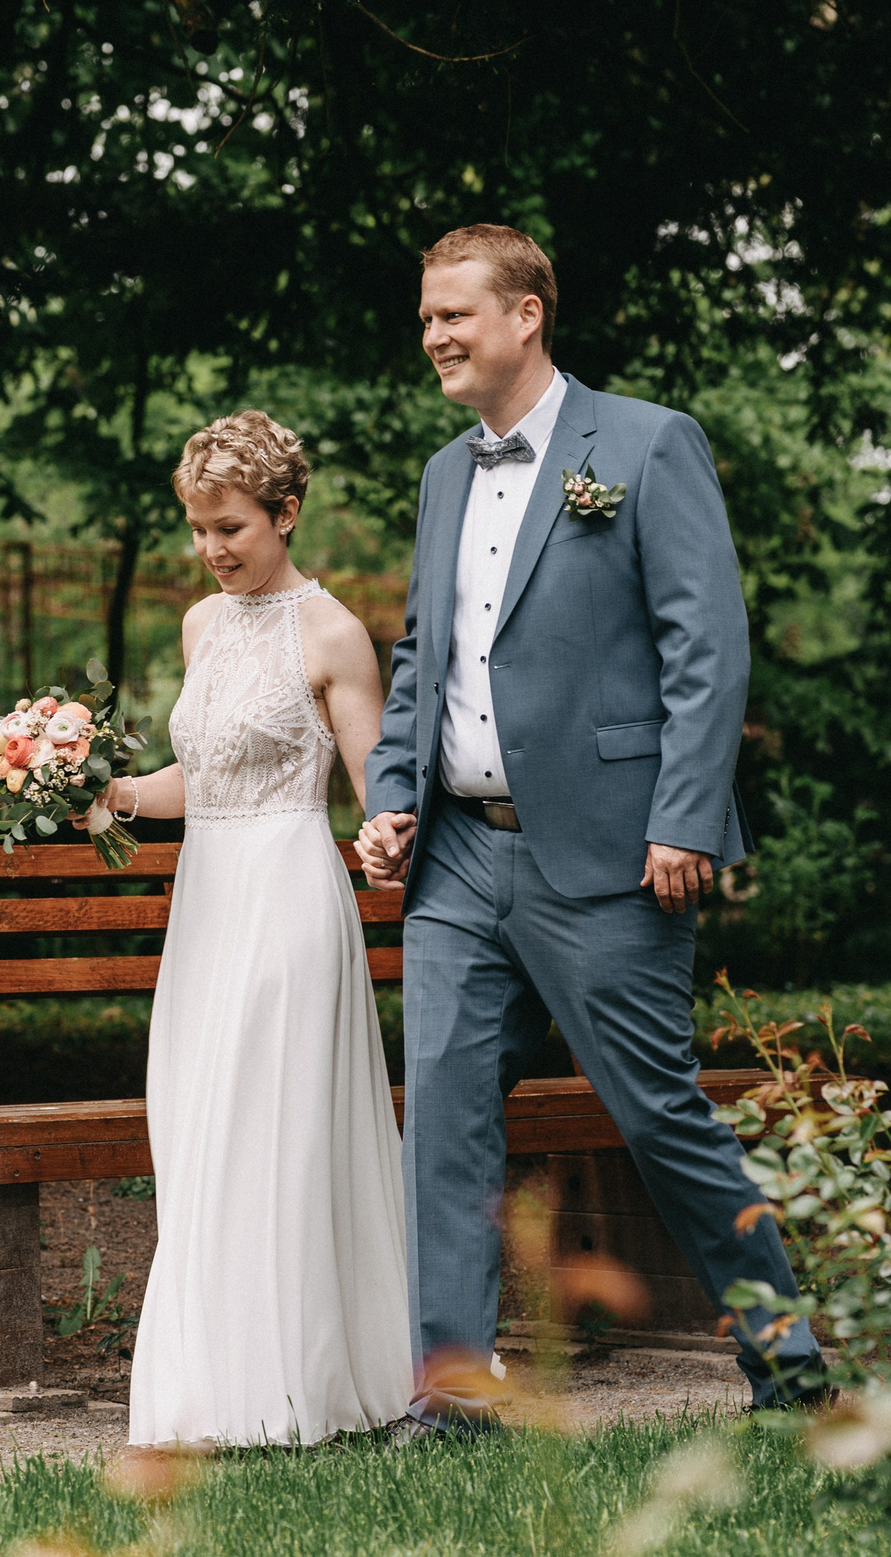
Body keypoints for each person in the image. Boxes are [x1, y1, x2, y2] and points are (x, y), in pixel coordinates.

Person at [354, 224, 826, 1430]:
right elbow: (423, 655)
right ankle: (452, 1391)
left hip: (611, 856)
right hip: (459, 857)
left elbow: (706, 649)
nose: (434, 336)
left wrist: (682, 820)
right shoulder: (443, 474)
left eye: (455, 313)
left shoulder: (648, 443)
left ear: (527, 315)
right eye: (423, 318)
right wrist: (394, 795)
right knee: (445, 1123)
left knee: (656, 1111)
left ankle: (787, 1359)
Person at [103, 410, 413, 1448]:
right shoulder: (201, 624)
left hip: (286, 891)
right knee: (200, 1127)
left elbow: (374, 781)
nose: (211, 549)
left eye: (229, 526)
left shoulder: (328, 632)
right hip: (207, 897)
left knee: (270, 1124)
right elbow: (202, 775)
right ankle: (214, 1388)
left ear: (285, 513)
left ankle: (298, 1388)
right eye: (197, 529)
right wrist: (105, 793)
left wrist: (387, 836)